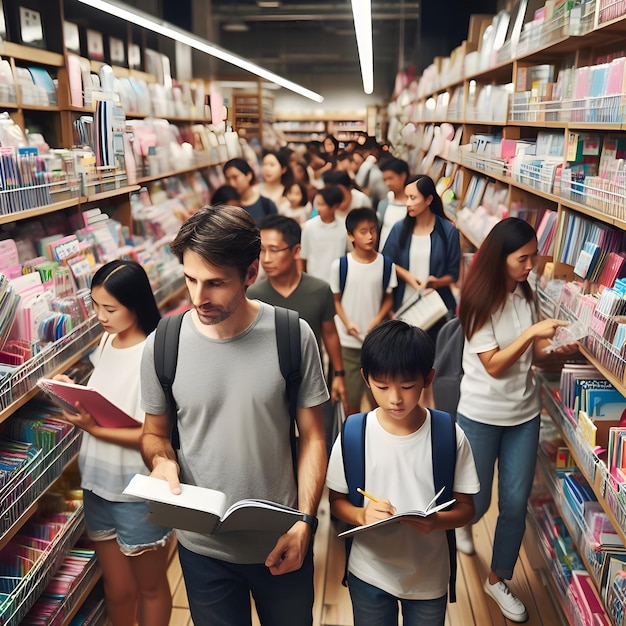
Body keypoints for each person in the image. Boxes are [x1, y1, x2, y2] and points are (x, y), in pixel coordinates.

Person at [139, 206, 329, 625]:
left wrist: (305, 524)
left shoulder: (291, 336)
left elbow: (314, 436)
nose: (198, 297)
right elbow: (154, 433)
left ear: (250, 273)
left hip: (283, 539)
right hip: (202, 549)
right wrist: (161, 462)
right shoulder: (163, 344)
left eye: (215, 283)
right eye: (190, 279)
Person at [326, 320, 479, 626]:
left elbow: (466, 509)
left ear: (428, 378)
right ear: (365, 379)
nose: (395, 398)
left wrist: (437, 521)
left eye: (407, 386)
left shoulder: (448, 435)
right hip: (368, 572)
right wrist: (362, 516)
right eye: (382, 386)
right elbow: (336, 502)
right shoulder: (355, 433)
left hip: (429, 577)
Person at [455, 217, 568, 623]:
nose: (531, 265)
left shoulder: (527, 293)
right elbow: (496, 366)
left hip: (524, 414)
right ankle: (463, 526)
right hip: (481, 414)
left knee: (516, 503)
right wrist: (532, 332)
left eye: (534, 256)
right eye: (524, 258)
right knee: (479, 499)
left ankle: (498, 578)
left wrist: (566, 350)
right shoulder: (477, 302)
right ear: (500, 259)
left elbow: (533, 357)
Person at [55, 260, 171, 626]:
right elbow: (105, 399)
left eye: (110, 308)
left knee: (150, 588)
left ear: (135, 304)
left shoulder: (154, 352)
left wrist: (93, 428)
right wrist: (71, 389)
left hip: (137, 491)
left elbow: (151, 433)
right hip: (97, 484)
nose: (100, 316)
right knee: (118, 590)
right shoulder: (106, 340)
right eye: (95, 306)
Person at [248, 214, 347, 453]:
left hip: (312, 383)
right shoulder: (253, 295)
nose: (266, 259)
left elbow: (330, 334)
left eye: (274, 250)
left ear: (296, 251)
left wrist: (339, 374)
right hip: (269, 388)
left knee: (317, 442)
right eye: (262, 251)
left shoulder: (319, 290)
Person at [330, 208, 397, 416]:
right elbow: (336, 301)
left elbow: (388, 299)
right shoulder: (341, 266)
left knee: (377, 398)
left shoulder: (386, 264)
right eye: (363, 231)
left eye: (373, 230)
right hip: (348, 343)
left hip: (376, 343)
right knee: (351, 399)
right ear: (350, 235)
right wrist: (347, 322)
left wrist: (378, 319)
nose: (370, 236)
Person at [382, 174, 460, 343]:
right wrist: (408, 276)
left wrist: (436, 282)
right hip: (404, 306)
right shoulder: (399, 228)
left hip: (434, 309)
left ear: (428, 199)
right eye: (406, 197)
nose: (408, 203)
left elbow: (453, 274)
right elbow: (386, 262)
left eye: (412, 198)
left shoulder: (448, 232)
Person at [300, 185, 349, 284]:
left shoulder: (344, 227)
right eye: (317, 204)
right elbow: (303, 258)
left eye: (322, 205)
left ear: (334, 206)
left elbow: (349, 253)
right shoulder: (309, 227)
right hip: (313, 281)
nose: (318, 208)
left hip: (337, 281)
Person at [223, 157, 278, 224]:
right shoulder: (230, 207)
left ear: (249, 175)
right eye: (228, 179)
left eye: (235, 177)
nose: (232, 183)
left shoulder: (266, 204)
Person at [377, 157, 410, 249]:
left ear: (403, 176)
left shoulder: (412, 205)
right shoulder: (384, 204)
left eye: (390, 178)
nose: (387, 183)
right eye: (385, 180)